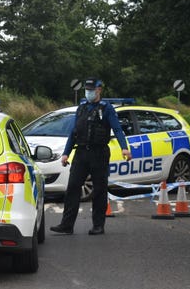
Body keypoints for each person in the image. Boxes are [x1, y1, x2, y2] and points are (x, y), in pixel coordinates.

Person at [50, 78, 132, 235]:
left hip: (99, 153)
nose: (88, 92)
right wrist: (66, 153)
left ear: (99, 90)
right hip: (81, 153)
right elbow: (74, 132)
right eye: (87, 90)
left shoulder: (106, 109)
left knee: (99, 190)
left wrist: (124, 148)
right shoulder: (81, 108)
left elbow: (118, 129)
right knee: (73, 188)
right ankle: (67, 225)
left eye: (91, 89)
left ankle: (98, 225)